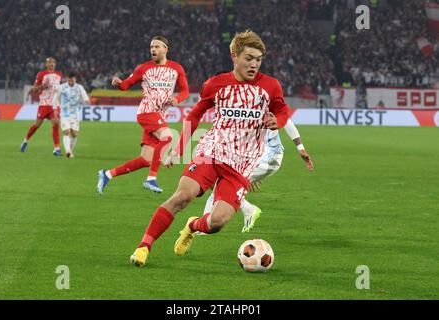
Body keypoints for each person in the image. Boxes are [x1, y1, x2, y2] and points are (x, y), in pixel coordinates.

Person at [129, 30, 313, 267]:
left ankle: (192, 226)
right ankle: (144, 247)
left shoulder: (270, 86)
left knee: (216, 222)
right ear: (234, 56)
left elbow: (281, 111)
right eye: (249, 58)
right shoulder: (216, 84)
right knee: (182, 196)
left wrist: (275, 121)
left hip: (242, 164)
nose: (254, 64)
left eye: (258, 59)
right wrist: (179, 147)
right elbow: (195, 114)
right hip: (212, 152)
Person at [97, 36, 189, 194]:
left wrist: (177, 99)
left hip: (159, 115)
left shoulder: (177, 68)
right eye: (152, 46)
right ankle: (151, 179)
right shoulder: (144, 68)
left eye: (157, 46)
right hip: (147, 111)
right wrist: (118, 83)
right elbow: (126, 85)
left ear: (166, 49)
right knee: (167, 137)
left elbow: (185, 91)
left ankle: (107, 174)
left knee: (146, 159)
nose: (153, 49)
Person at [201, 122, 313, 234]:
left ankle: (244, 210)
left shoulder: (265, 105)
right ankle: (207, 223)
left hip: (270, 156)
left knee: (221, 181)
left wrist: (300, 148)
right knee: (220, 181)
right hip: (256, 157)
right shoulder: (242, 112)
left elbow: (286, 121)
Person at [20, 57, 63, 156]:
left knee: (56, 123)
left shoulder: (59, 75)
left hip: (54, 105)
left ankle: (56, 148)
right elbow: (34, 90)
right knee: (37, 125)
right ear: (46, 64)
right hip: (44, 104)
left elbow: (59, 89)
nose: (51, 64)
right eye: (49, 62)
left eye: (53, 62)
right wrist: (42, 86)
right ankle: (25, 140)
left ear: (55, 64)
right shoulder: (41, 74)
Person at [52, 72, 90, 158]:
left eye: (72, 80)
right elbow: (55, 98)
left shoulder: (79, 87)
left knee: (74, 134)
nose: (70, 82)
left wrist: (86, 100)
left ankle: (70, 151)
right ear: (67, 79)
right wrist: (55, 109)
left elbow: (84, 95)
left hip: (75, 115)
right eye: (69, 80)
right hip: (65, 114)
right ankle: (68, 151)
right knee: (66, 132)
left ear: (75, 79)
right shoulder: (62, 87)